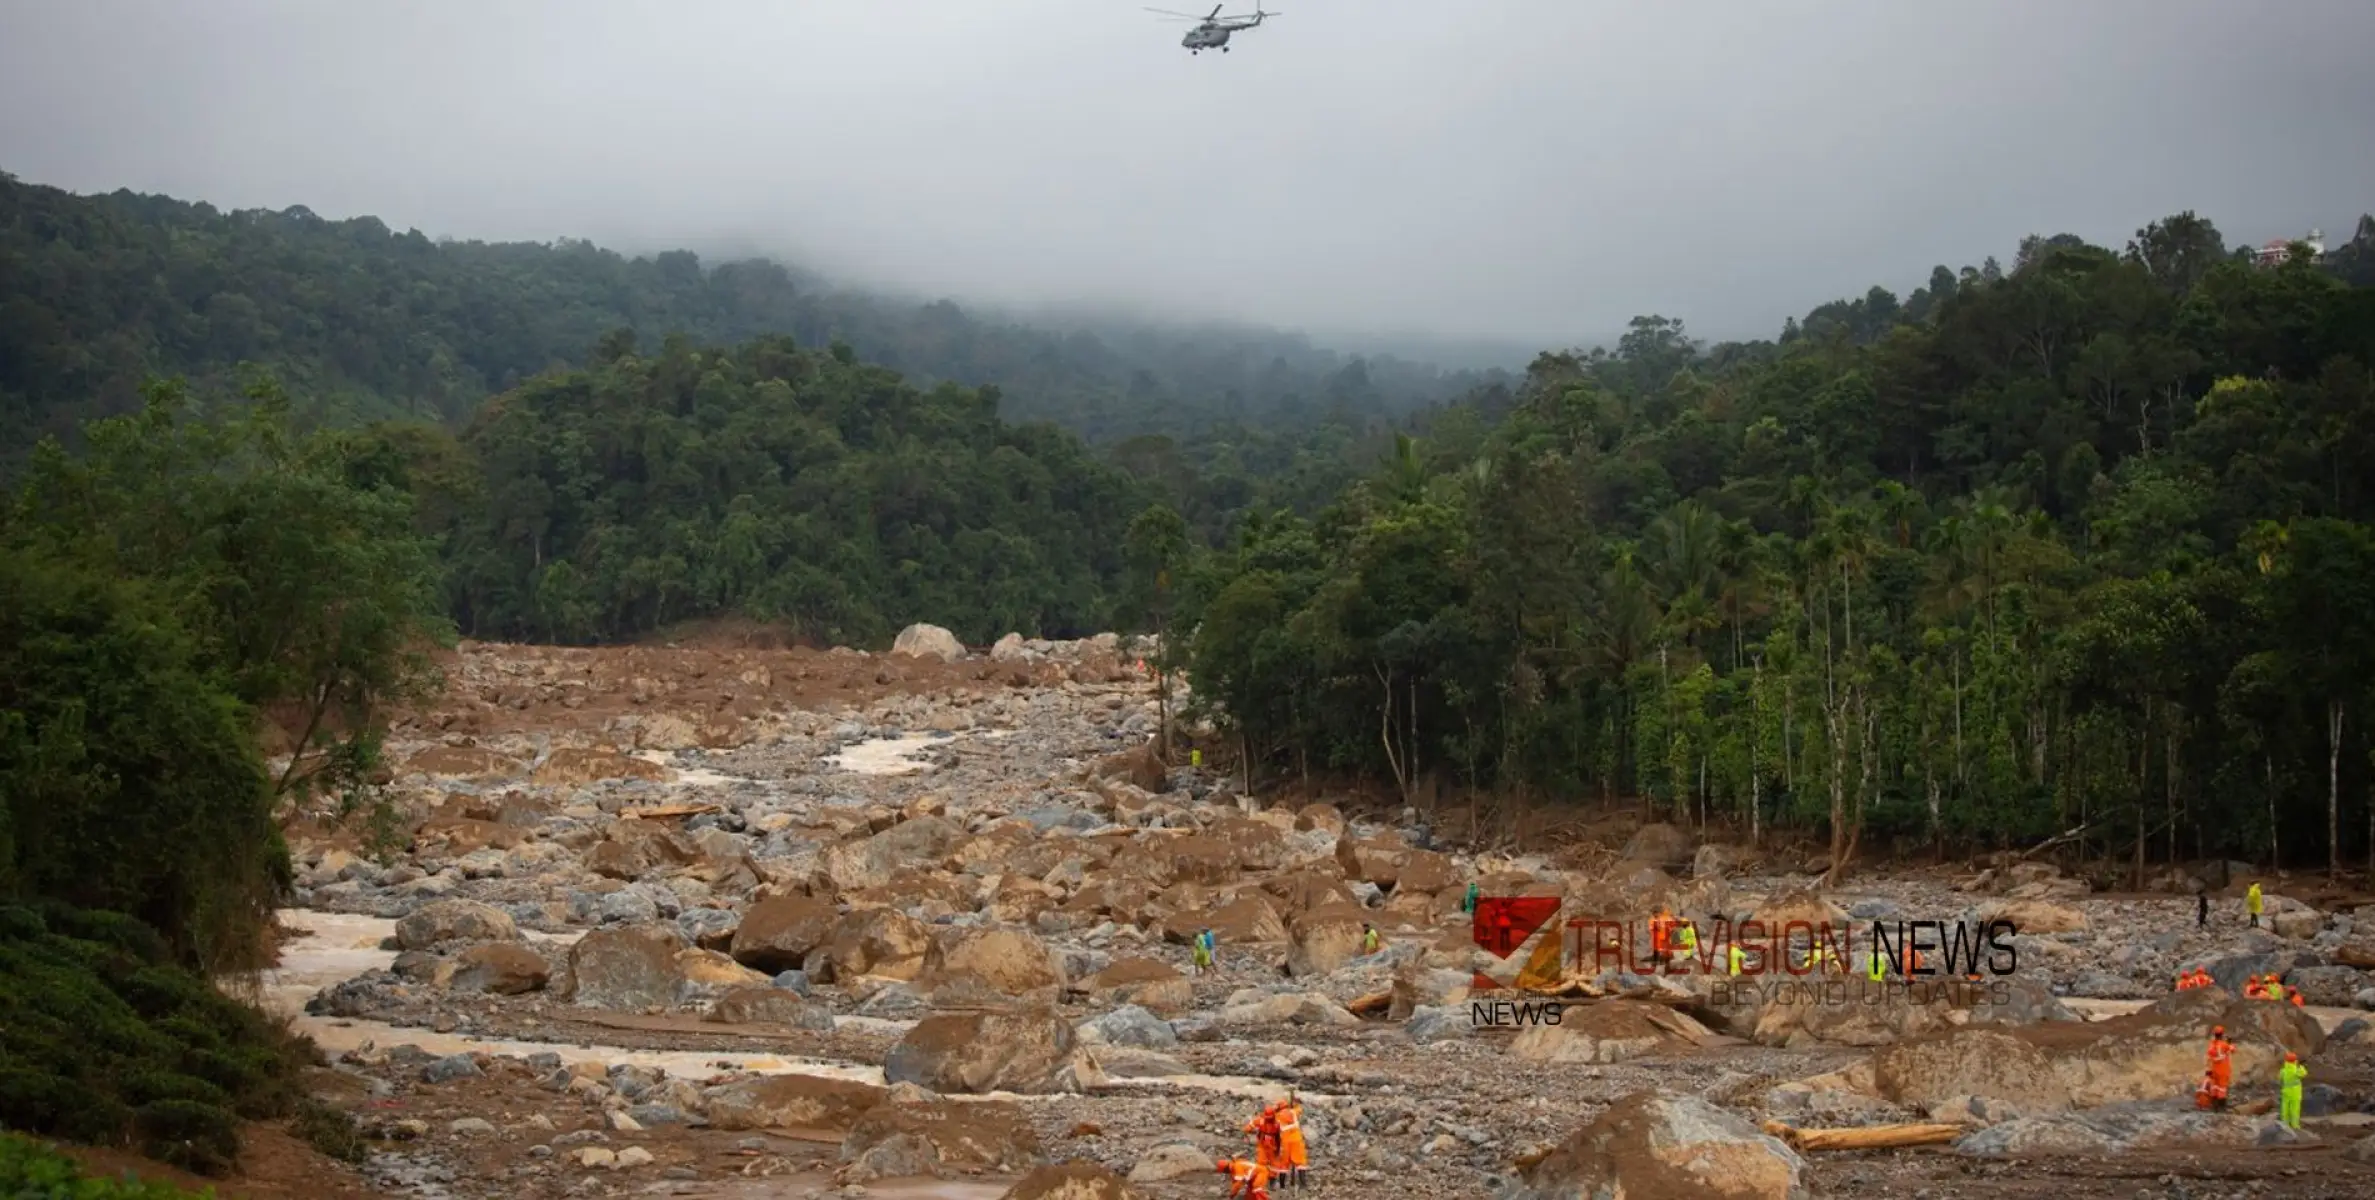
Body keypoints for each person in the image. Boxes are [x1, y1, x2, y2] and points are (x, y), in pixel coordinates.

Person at [1277, 1092, 1309, 1189]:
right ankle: (1303, 1184)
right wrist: (1296, 1102)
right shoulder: (1293, 1112)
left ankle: (1282, 1186)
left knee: (1283, 1164)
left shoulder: (1277, 1115)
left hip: (1285, 1142)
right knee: (1300, 1162)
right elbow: (1299, 1109)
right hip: (1296, 1140)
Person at [2206, 1025, 2234, 1105]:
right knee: (2222, 1088)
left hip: (2214, 1069)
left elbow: (2209, 1056)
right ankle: (2221, 1105)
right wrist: (2229, 1042)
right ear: (2222, 1034)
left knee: (2214, 1086)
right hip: (2223, 1070)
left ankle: (2214, 1104)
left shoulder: (2211, 1045)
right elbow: (2232, 1049)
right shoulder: (2224, 1045)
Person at [2279, 1051, 2307, 1130]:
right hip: (2295, 1093)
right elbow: (2304, 1073)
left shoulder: (2283, 1070)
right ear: (2295, 1061)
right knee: (2295, 1109)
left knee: (2285, 1108)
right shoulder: (2296, 1071)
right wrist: (2301, 1067)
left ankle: (2284, 1124)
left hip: (2286, 1091)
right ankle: (2295, 1125)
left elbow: (2280, 1078)